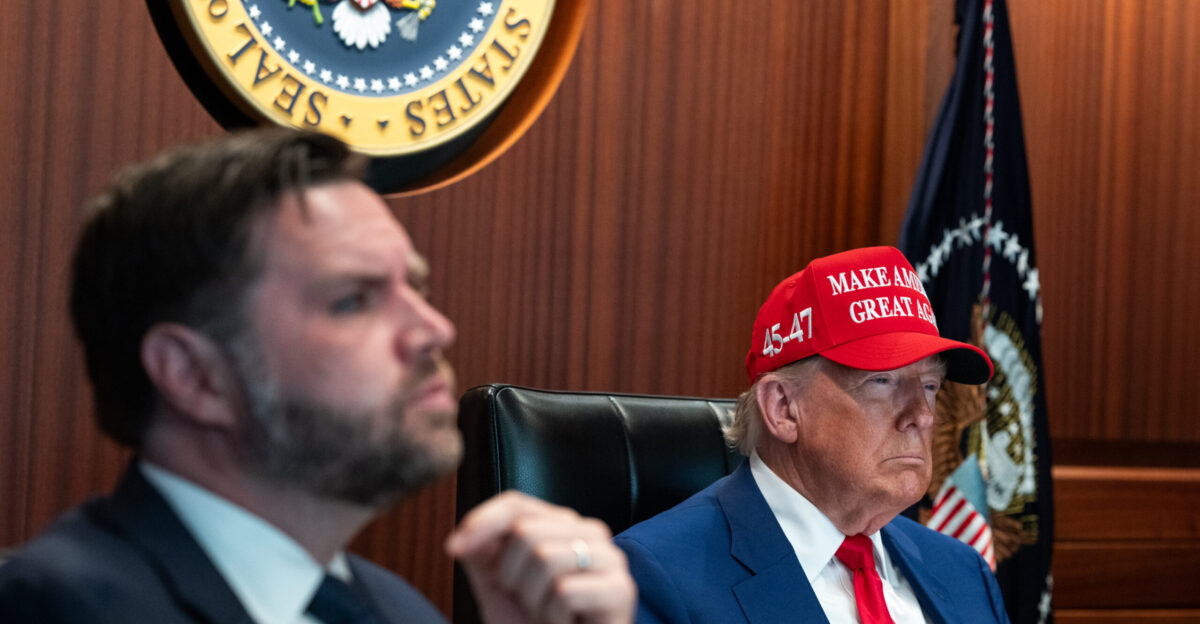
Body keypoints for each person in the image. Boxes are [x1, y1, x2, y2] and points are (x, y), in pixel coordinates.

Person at [0, 129, 634, 624]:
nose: (435, 329)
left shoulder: (393, 609)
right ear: (195, 376)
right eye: (354, 301)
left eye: (414, 287)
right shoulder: (55, 610)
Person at [614, 246, 1010, 624]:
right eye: (882, 381)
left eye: (929, 386)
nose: (922, 416)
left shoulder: (963, 572)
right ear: (783, 408)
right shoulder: (655, 578)